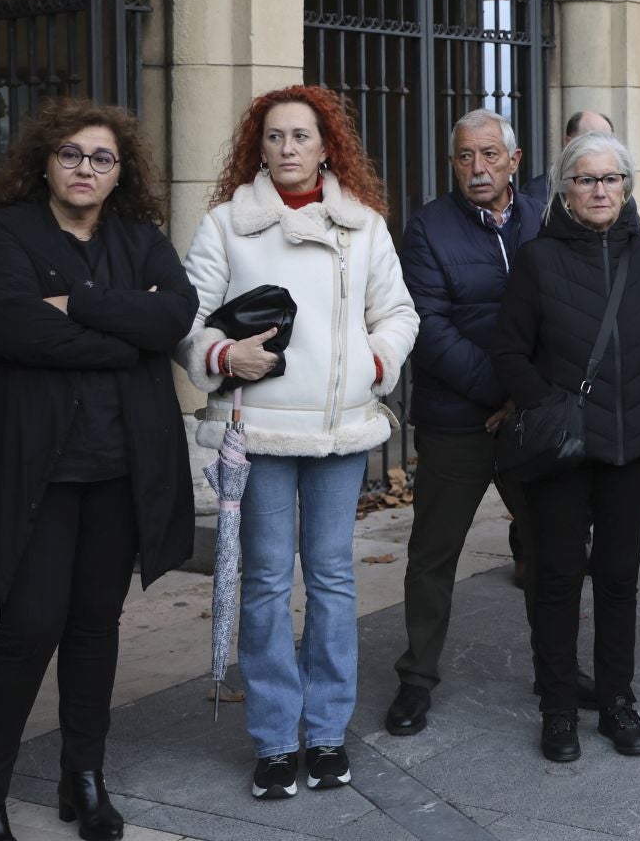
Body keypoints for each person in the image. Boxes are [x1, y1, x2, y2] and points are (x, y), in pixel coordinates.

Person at [0, 101, 195, 840]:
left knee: (95, 624)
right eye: (70, 154)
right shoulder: (8, 233)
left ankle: (84, 777)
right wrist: (121, 335)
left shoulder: (140, 238)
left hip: (120, 468)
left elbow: (174, 319)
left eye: (101, 158)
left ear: (120, 171)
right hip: (37, 468)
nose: (85, 169)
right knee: (29, 626)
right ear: (43, 161)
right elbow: (12, 326)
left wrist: (80, 305)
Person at [179, 86, 419, 800]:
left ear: (325, 146)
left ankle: (326, 734)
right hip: (259, 429)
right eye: (276, 136)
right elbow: (187, 318)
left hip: (340, 429)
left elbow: (398, 312)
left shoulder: (363, 225)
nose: (288, 148)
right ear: (260, 146)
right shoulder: (226, 224)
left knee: (334, 580)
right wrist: (224, 359)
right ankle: (277, 740)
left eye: (302, 136)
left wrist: (371, 363)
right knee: (265, 584)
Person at [491, 133, 640, 761]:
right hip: (565, 449)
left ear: (627, 187)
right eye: (585, 179)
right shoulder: (537, 260)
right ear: (565, 190)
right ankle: (557, 708)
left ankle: (617, 701)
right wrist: (548, 409)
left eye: (610, 179)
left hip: (632, 447)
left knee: (619, 577)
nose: (599, 190)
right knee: (555, 577)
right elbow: (508, 352)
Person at [383, 109, 547, 738]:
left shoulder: (543, 219)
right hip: (457, 420)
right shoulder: (427, 227)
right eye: (463, 157)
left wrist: (525, 395)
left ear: (515, 158)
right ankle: (416, 679)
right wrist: (501, 390)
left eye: (488, 155)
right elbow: (428, 326)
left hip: (531, 419)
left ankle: (553, 670)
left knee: (550, 549)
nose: (476, 168)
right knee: (433, 554)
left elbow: (563, 310)